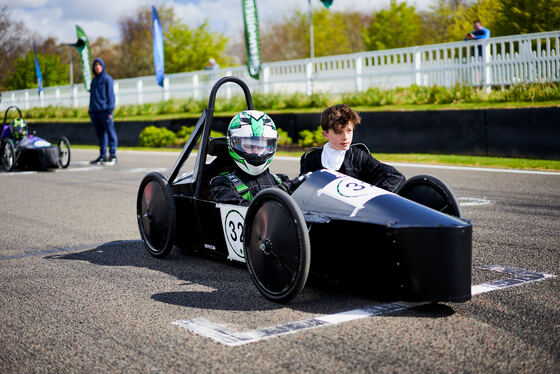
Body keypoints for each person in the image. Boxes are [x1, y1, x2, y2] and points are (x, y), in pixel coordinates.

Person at [300, 104, 405, 192]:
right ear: (325, 134)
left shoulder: (359, 157)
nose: (345, 137)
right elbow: (301, 190)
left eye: (349, 131)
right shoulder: (311, 158)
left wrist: (369, 196)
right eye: (339, 132)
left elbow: (396, 177)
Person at [209, 110, 304, 206]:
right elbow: (245, 211)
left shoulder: (281, 180)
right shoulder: (222, 184)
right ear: (232, 143)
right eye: (249, 146)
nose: (256, 152)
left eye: (260, 147)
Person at [89, 57, 117, 165]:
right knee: (101, 136)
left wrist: (110, 110)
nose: (97, 67)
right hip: (95, 112)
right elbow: (92, 97)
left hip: (105, 112)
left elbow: (111, 96)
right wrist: (90, 111)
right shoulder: (94, 81)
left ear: (103, 66)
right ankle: (102, 156)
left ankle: (113, 156)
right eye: (95, 65)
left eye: (99, 65)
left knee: (110, 134)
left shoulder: (107, 79)